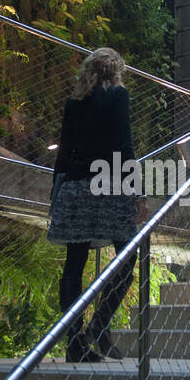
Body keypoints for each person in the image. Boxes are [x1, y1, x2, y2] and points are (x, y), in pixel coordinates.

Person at [47, 47, 148, 362]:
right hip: (110, 186)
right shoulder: (118, 95)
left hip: (75, 186)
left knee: (73, 266)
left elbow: (64, 150)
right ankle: (100, 326)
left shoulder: (73, 103)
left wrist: (56, 189)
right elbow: (123, 144)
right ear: (116, 71)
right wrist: (138, 191)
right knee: (128, 258)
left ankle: (75, 344)